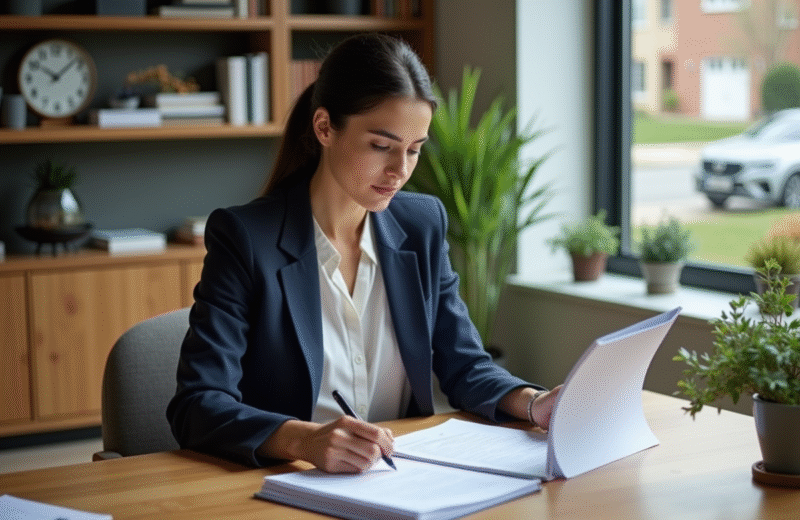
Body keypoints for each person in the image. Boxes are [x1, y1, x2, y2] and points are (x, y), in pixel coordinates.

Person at [167, 33, 561, 473]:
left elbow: (464, 363)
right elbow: (198, 404)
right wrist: (306, 440)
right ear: (324, 128)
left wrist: (535, 405)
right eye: (381, 146)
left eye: (414, 150)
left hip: (403, 481)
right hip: (287, 484)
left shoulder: (421, 226)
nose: (400, 170)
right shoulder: (245, 238)